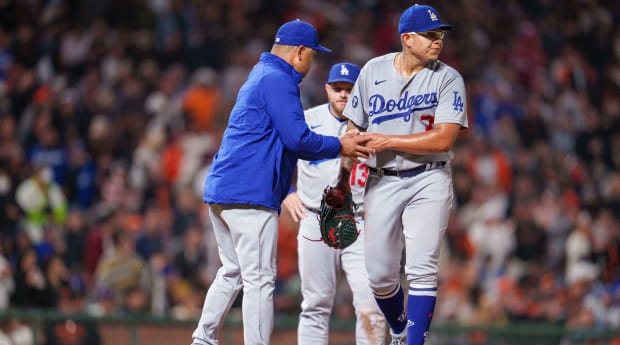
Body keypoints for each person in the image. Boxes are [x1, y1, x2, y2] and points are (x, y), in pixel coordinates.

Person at [190, 20, 372, 345]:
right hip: (249, 193)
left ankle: (203, 340)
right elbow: (297, 139)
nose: (312, 62)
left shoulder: (260, 75)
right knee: (259, 280)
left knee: (232, 271)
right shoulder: (277, 79)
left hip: (224, 189)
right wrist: (340, 145)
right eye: (312, 54)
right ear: (300, 51)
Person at [341, 4, 468, 345]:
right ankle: (398, 330)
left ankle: (414, 342)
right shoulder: (373, 70)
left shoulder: (448, 77)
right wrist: (344, 169)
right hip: (382, 178)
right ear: (407, 39)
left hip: (430, 176)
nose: (437, 41)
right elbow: (353, 128)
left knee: (422, 269)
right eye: (430, 35)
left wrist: (389, 139)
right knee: (380, 276)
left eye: (440, 34)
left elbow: (445, 137)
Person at [282, 62, 386, 345]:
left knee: (371, 304)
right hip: (315, 218)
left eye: (349, 90)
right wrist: (286, 191)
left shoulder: (377, 126)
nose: (343, 94)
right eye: (337, 88)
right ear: (327, 89)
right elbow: (278, 157)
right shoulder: (307, 119)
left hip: (361, 219)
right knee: (315, 304)